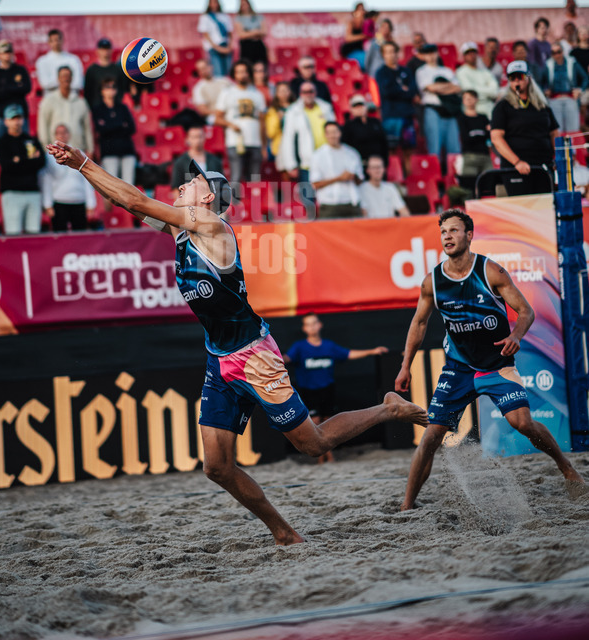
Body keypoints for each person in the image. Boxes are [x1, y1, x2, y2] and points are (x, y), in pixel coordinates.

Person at [45, 144, 428, 544]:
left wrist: (83, 162)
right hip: (218, 356)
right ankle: (283, 532)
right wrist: (80, 170)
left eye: (192, 181)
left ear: (208, 198)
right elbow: (123, 201)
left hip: (253, 355)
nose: (181, 184)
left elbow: (135, 198)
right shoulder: (182, 227)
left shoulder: (209, 225)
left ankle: (387, 408)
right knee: (217, 467)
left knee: (313, 444)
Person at [396, 209, 584, 510]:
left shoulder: (491, 272)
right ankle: (407, 505)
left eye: (454, 230)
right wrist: (405, 366)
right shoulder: (432, 281)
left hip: (497, 366)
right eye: (443, 232)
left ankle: (567, 468)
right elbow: (418, 324)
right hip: (458, 369)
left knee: (522, 423)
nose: (447, 236)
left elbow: (527, 311)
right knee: (431, 437)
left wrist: (516, 336)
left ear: (469, 235)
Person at [284, 313, 388, 463]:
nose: (312, 327)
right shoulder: (299, 347)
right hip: (309, 391)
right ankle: (321, 458)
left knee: (329, 422)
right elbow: (287, 358)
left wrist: (372, 351)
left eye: (314, 323)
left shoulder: (329, 346)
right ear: (304, 328)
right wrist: (272, 358)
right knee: (314, 423)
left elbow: (349, 354)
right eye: (308, 324)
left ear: (320, 325)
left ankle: (329, 456)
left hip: (327, 389)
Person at [490, 61, 559, 192]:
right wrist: (517, 162)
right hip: (516, 168)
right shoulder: (503, 106)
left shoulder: (542, 105)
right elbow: (496, 138)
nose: (517, 81)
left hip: (543, 166)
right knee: (521, 208)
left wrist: (557, 158)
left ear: (528, 78)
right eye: (512, 78)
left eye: (520, 77)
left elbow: (554, 133)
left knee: (545, 207)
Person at [0, 105, 46, 235]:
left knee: (34, 232)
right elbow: (7, 166)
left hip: (32, 191)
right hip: (12, 193)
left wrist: (18, 160)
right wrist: (28, 160)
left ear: (23, 120)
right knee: (13, 233)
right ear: (6, 121)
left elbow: (41, 162)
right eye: (13, 119)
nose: (16, 122)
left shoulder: (31, 140)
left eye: (19, 118)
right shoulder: (2, 142)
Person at [214, 60, 266, 187]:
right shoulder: (227, 93)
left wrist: (264, 146)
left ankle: (253, 206)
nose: (242, 75)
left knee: (254, 180)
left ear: (249, 74)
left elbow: (262, 122)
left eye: (244, 71)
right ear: (234, 74)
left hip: (255, 143)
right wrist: (231, 125)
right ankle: (235, 206)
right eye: (239, 72)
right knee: (236, 178)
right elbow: (217, 118)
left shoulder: (257, 94)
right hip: (235, 142)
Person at [41, 124, 96, 231]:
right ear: (55, 135)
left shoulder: (79, 153)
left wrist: (91, 203)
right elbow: (46, 180)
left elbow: (87, 179)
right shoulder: (49, 156)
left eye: (64, 132)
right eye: (59, 133)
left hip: (78, 201)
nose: (62, 136)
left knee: (80, 237)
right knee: (60, 237)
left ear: (69, 135)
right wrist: (47, 204)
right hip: (59, 201)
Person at [277, 83, 335, 181]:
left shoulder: (325, 108)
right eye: (305, 92)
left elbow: (334, 131)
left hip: (326, 160)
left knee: (327, 195)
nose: (308, 94)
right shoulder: (293, 111)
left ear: (315, 92)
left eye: (310, 91)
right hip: (306, 164)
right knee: (307, 195)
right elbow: (288, 139)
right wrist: (291, 164)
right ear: (300, 94)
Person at [415, 45, 462, 159]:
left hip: (450, 111)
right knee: (434, 148)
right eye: (428, 53)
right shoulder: (422, 71)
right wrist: (448, 87)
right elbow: (430, 88)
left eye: (433, 52)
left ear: (437, 54)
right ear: (424, 56)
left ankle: (453, 176)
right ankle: (435, 175)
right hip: (433, 109)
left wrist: (439, 88)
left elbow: (457, 88)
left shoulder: (447, 71)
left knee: (454, 149)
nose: (431, 56)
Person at [309, 121, 363, 218]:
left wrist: (353, 177)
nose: (332, 135)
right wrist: (339, 178)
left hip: (351, 202)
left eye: (334, 132)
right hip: (329, 204)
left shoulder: (352, 153)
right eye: (329, 133)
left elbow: (360, 181)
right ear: (325, 135)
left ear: (340, 133)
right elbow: (314, 184)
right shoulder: (318, 156)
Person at [92, 78, 137, 185]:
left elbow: (132, 128)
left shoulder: (122, 108)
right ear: (102, 91)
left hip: (126, 150)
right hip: (109, 151)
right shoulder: (98, 109)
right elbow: (100, 129)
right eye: (107, 87)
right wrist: (120, 125)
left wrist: (109, 126)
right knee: (112, 185)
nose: (110, 90)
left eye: (113, 87)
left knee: (129, 185)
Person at [38, 67, 93, 154]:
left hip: (78, 151)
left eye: (68, 76)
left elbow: (87, 128)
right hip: (56, 153)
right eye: (63, 76)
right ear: (58, 78)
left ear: (71, 78)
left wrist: (90, 150)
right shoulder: (48, 101)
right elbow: (43, 125)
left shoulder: (80, 102)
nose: (65, 78)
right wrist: (45, 148)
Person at [375, 42, 417, 149]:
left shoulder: (406, 71)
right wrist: (403, 90)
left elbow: (412, 91)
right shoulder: (381, 72)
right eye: (388, 52)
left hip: (407, 115)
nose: (391, 54)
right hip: (391, 116)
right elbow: (387, 92)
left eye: (393, 51)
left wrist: (398, 90)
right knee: (391, 149)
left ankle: (407, 167)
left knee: (408, 149)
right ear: (383, 55)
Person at [0, 40, 33, 140]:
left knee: (25, 145)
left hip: (20, 116)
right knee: (1, 147)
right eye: (4, 52)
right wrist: (16, 88)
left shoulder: (20, 70)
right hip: (1, 116)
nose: (7, 55)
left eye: (9, 52)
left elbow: (27, 88)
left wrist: (5, 88)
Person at [541, 41, 588, 134]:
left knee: (573, 130)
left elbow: (585, 78)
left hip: (570, 98)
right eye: (554, 53)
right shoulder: (548, 64)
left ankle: (573, 149)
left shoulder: (572, 62)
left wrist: (580, 90)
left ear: (563, 51)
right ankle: (561, 149)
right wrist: (545, 90)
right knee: (558, 130)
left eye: (559, 52)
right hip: (555, 99)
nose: (557, 55)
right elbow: (540, 82)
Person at [456, 90, 492, 197]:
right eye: (466, 98)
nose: (469, 101)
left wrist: (475, 134)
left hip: (485, 156)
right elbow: (466, 138)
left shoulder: (483, 117)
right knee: (469, 191)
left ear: (476, 100)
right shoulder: (461, 118)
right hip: (469, 156)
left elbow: (489, 135)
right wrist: (482, 132)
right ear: (463, 101)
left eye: (471, 98)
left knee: (489, 187)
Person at [171, 125, 223, 195]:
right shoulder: (180, 162)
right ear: (187, 139)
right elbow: (176, 189)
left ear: (204, 137)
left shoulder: (215, 161)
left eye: (200, 136)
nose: (197, 140)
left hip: (211, 201)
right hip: (189, 202)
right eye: (194, 137)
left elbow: (221, 185)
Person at [341, 95, 389, 165]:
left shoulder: (375, 122)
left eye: (361, 105)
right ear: (351, 109)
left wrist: (385, 161)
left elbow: (384, 142)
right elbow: (347, 148)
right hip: (360, 163)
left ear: (366, 107)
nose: (359, 109)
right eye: (356, 106)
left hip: (378, 163)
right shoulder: (348, 126)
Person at [455, 42, 499, 119]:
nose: (471, 55)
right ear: (464, 56)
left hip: (488, 108)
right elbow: (470, 91)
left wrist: (477, 89)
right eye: (468, 53)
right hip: (472, 109)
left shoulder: (485, 72)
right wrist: (487, 91)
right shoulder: (461, 72)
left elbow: (495, 91)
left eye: (473, 52)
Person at [83, 38, 129, 110]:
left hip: (115, 108)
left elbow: (122, 88)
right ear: (98, 51)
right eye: (103, 49)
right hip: (97, 109)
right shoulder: (91, 70)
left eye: (107, 49)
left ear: (111, 50)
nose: (105, 52)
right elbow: (88, 92)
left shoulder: (117, 69)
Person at [34, 30, 84, 94]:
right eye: (52, 40)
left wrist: (58, 84)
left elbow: (78, 83)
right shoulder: (42, 61)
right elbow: (45, 84)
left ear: (62, 40)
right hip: (51, 98)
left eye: (58, 39)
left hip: (71, 98)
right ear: (48, 42)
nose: (56, 43)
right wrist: (66, 82)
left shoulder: (73, 59)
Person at [198, 0, 233, 78]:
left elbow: (230, 33)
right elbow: (205, 34)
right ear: (209, 4)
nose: (214, 4)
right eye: (212, 2)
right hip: (213, 48)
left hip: (226, 46)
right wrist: (217, 48)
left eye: (216, 1)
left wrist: (229, 47)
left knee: (228, 73)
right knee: (218, 74)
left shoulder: (225, 17)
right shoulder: (205, 17)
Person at [190, 59, 230, 123]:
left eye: (204, 68)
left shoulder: (225, 81)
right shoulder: (198, 88)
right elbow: (203, 110)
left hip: (231, 111)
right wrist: (220, 113)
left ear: (210, 67)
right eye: (200, 70)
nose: (203, 71)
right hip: (215, 116)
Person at [264, 82, 294, 161]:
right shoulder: (272, 111)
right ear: (276, 94)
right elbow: (270, 133)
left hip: (295, 146)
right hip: (280, 148)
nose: (283, 94)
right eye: (281, 91)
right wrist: (278, 119)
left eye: (286, 90)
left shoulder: (297, 108)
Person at [234, 0, 268, 65]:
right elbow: (241, 35)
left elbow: (264, 32)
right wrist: (255, 32)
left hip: (258, 45)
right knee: (248, 66)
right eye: (242, 4)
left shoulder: (258, 17)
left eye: (245, 3)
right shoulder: (239, 18)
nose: (244, 6)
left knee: (261, 65)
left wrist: (248, 33)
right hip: (246, 46)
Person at [339, 2, 370, 67]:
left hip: (360, 50)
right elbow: (348, 38)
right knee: (365, 61)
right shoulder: (351, 22)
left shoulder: (366, 23)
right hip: (350, 50)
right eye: (359, 9)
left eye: (363, 9)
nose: (361, 11)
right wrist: (362, 36)